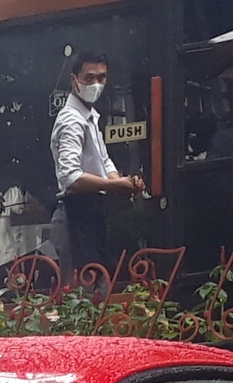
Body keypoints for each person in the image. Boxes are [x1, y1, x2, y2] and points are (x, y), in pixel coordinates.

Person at [53, 51, 148, 274]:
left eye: (102, 78)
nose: (96, 84)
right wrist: (115, 185)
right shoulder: (71, 120)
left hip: (92, 211)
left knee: (99, 288)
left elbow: (104, 161)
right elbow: (70, 177)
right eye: (89, 78)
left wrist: (124, 182)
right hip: (74, 213)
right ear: (74, 80)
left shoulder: (90, 116)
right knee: (82, 296)